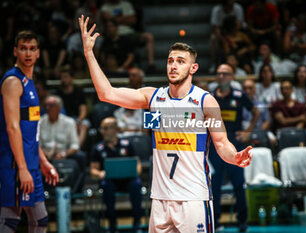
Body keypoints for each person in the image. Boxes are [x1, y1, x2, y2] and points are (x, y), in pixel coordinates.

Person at [79, 15, 253, 233]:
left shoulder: (205, 101)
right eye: (171, 60)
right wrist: (89, 54)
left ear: (193, 68)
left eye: (181, 61)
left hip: (193, 199)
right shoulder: (152, 97)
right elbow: (106, 93)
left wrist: (235, 157)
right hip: (160, 199)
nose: (173, 65)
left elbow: (222, 144)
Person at [0, 30, 59, 233]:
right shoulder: (13, 82)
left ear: (38, 53)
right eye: (23, 48)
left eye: (32, 49)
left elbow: (30, 132)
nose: (28, 53)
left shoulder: (30, 83)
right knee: (9, 221)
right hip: (16, 164)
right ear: (15, 51)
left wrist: (43, 161)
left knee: (40, 220)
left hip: (31, 163)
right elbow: (12, 128)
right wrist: (23, 169)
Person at [210, 64, 259, 232]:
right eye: (219, 73)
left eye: (225, 73)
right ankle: (215, 222)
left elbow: (256, 112)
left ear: (232, 77)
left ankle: (242, 221)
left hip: (235, 146)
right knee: (213, 186)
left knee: (239, 185)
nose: (221, 76)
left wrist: (248, 132)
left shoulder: (239, 95)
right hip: (215, 148)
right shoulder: (210, 97)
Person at [90, 117, 143, 233]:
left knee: (136, 184)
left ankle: (137, 225)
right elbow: (93, 170)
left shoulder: (127, 144)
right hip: (110, 181)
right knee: (106, 186)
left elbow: (138, 164)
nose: (102, 131)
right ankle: (112, 227)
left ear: (115, 129)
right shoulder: (98, 148)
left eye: (106, 128)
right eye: (101, 129)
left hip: (128, 180)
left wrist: (135, 172)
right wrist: (100, 173)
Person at [39, 95, 86, 174]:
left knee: (81, 156)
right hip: (45, 154)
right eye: (46, 105)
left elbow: (75, 145)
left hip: (64, 153)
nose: (47, 108)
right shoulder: (40, 122)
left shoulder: (69, 122)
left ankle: (78, 186)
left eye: (51, 105)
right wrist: (44, 154)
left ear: (59, 107)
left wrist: (64, 154)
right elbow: (37, 144)